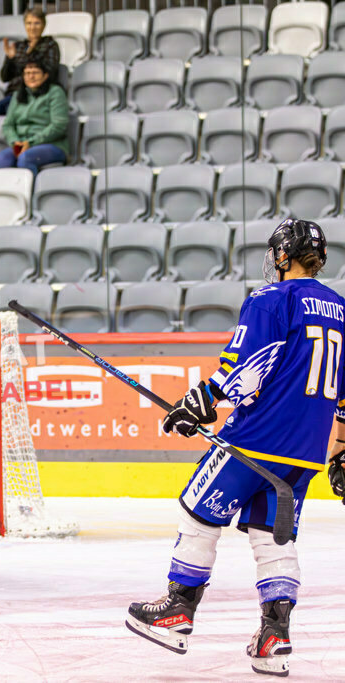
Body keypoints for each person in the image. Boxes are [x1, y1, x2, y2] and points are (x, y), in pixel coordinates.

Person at [125, 219, 344, 677]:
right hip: (303, 453)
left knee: (197, 514)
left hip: (254, 442)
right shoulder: (341, 308)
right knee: (273, 539)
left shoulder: (272, 299)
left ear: (283, 256)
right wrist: (340, 450)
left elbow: (247, 367)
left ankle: (177, 610)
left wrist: (201, 401)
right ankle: (275, 636)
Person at [0, 58, 69, 175]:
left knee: (26, 158)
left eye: (35, 73)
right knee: (2, 159)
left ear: (45, 75)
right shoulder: (18, 95)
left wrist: (31, 142)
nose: (31, 77)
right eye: (27, 73)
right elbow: (8, 125)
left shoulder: (55, 92)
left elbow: (59, 125)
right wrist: (15, 142)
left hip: (51, 145)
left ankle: (29, 192)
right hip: (22, 145)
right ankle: (9, 192)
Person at [0, 8, 60, 117]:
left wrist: (31, 54)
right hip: (14, 93)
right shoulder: (18, 46)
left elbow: (50, 72)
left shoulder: (50, 45)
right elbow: (4, 77)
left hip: (36, 93)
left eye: (37, 23)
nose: (32, 27)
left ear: (44, 25)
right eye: (29, 23)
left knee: (11, 112)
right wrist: (10, 59)